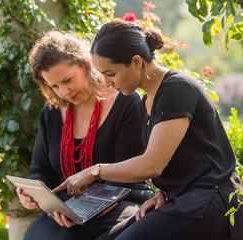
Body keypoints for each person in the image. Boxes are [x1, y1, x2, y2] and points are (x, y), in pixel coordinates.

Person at [52, 21, 243, 240]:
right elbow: (185, 161)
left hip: (211, 202)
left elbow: (152, 164)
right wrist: (162, 193)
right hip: (182, 200)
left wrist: (93, 171)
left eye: (110, 73)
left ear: (135, 62)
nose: (106, 82)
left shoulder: (177, 88)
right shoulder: (147, 101)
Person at [19, 30, 153, 240]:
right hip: (68, 208)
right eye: (54, 86)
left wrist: (79, 211)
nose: (64, 92)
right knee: (34, 235)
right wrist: (32, 191)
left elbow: (126, 177)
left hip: (122, 200)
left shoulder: (126, 102)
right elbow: (40, 168)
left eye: (68, 80)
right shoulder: (52, 113)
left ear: (86, 65)